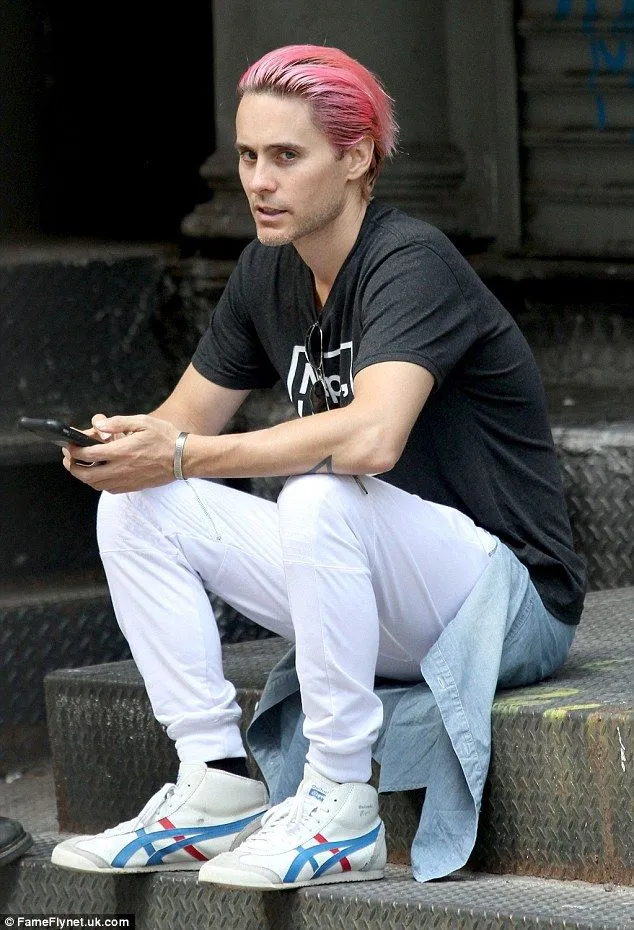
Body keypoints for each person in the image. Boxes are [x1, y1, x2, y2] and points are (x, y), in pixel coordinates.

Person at [51, 45, 585, 888]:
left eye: (287, 157)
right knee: (136, 505)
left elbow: (372, 440)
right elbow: (181, 425)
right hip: (374, 591)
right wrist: (125, 445)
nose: (259, 180)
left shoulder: (410, 261)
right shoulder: (269, 269)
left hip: (501, 603)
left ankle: (339, 803)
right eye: (250, 156)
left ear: (358, 157)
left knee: (322, 493)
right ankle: (216, 784)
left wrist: (184, 453)